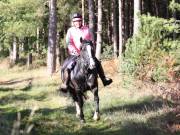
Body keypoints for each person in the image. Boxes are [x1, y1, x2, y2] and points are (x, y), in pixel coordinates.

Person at [61, 12, 112, 90]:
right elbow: (69, 43)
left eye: (79, 21)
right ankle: (65, 83)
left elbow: (90, 40)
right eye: (75, 21)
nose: (77, 23)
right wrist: (74, 51)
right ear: (73, 22)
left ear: (81, 21)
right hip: (75, 53)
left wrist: (90, 49)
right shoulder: (70, 31)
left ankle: (104, 79)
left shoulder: (86, 29)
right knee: (69, 65)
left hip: (86, 53)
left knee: (97, 62)